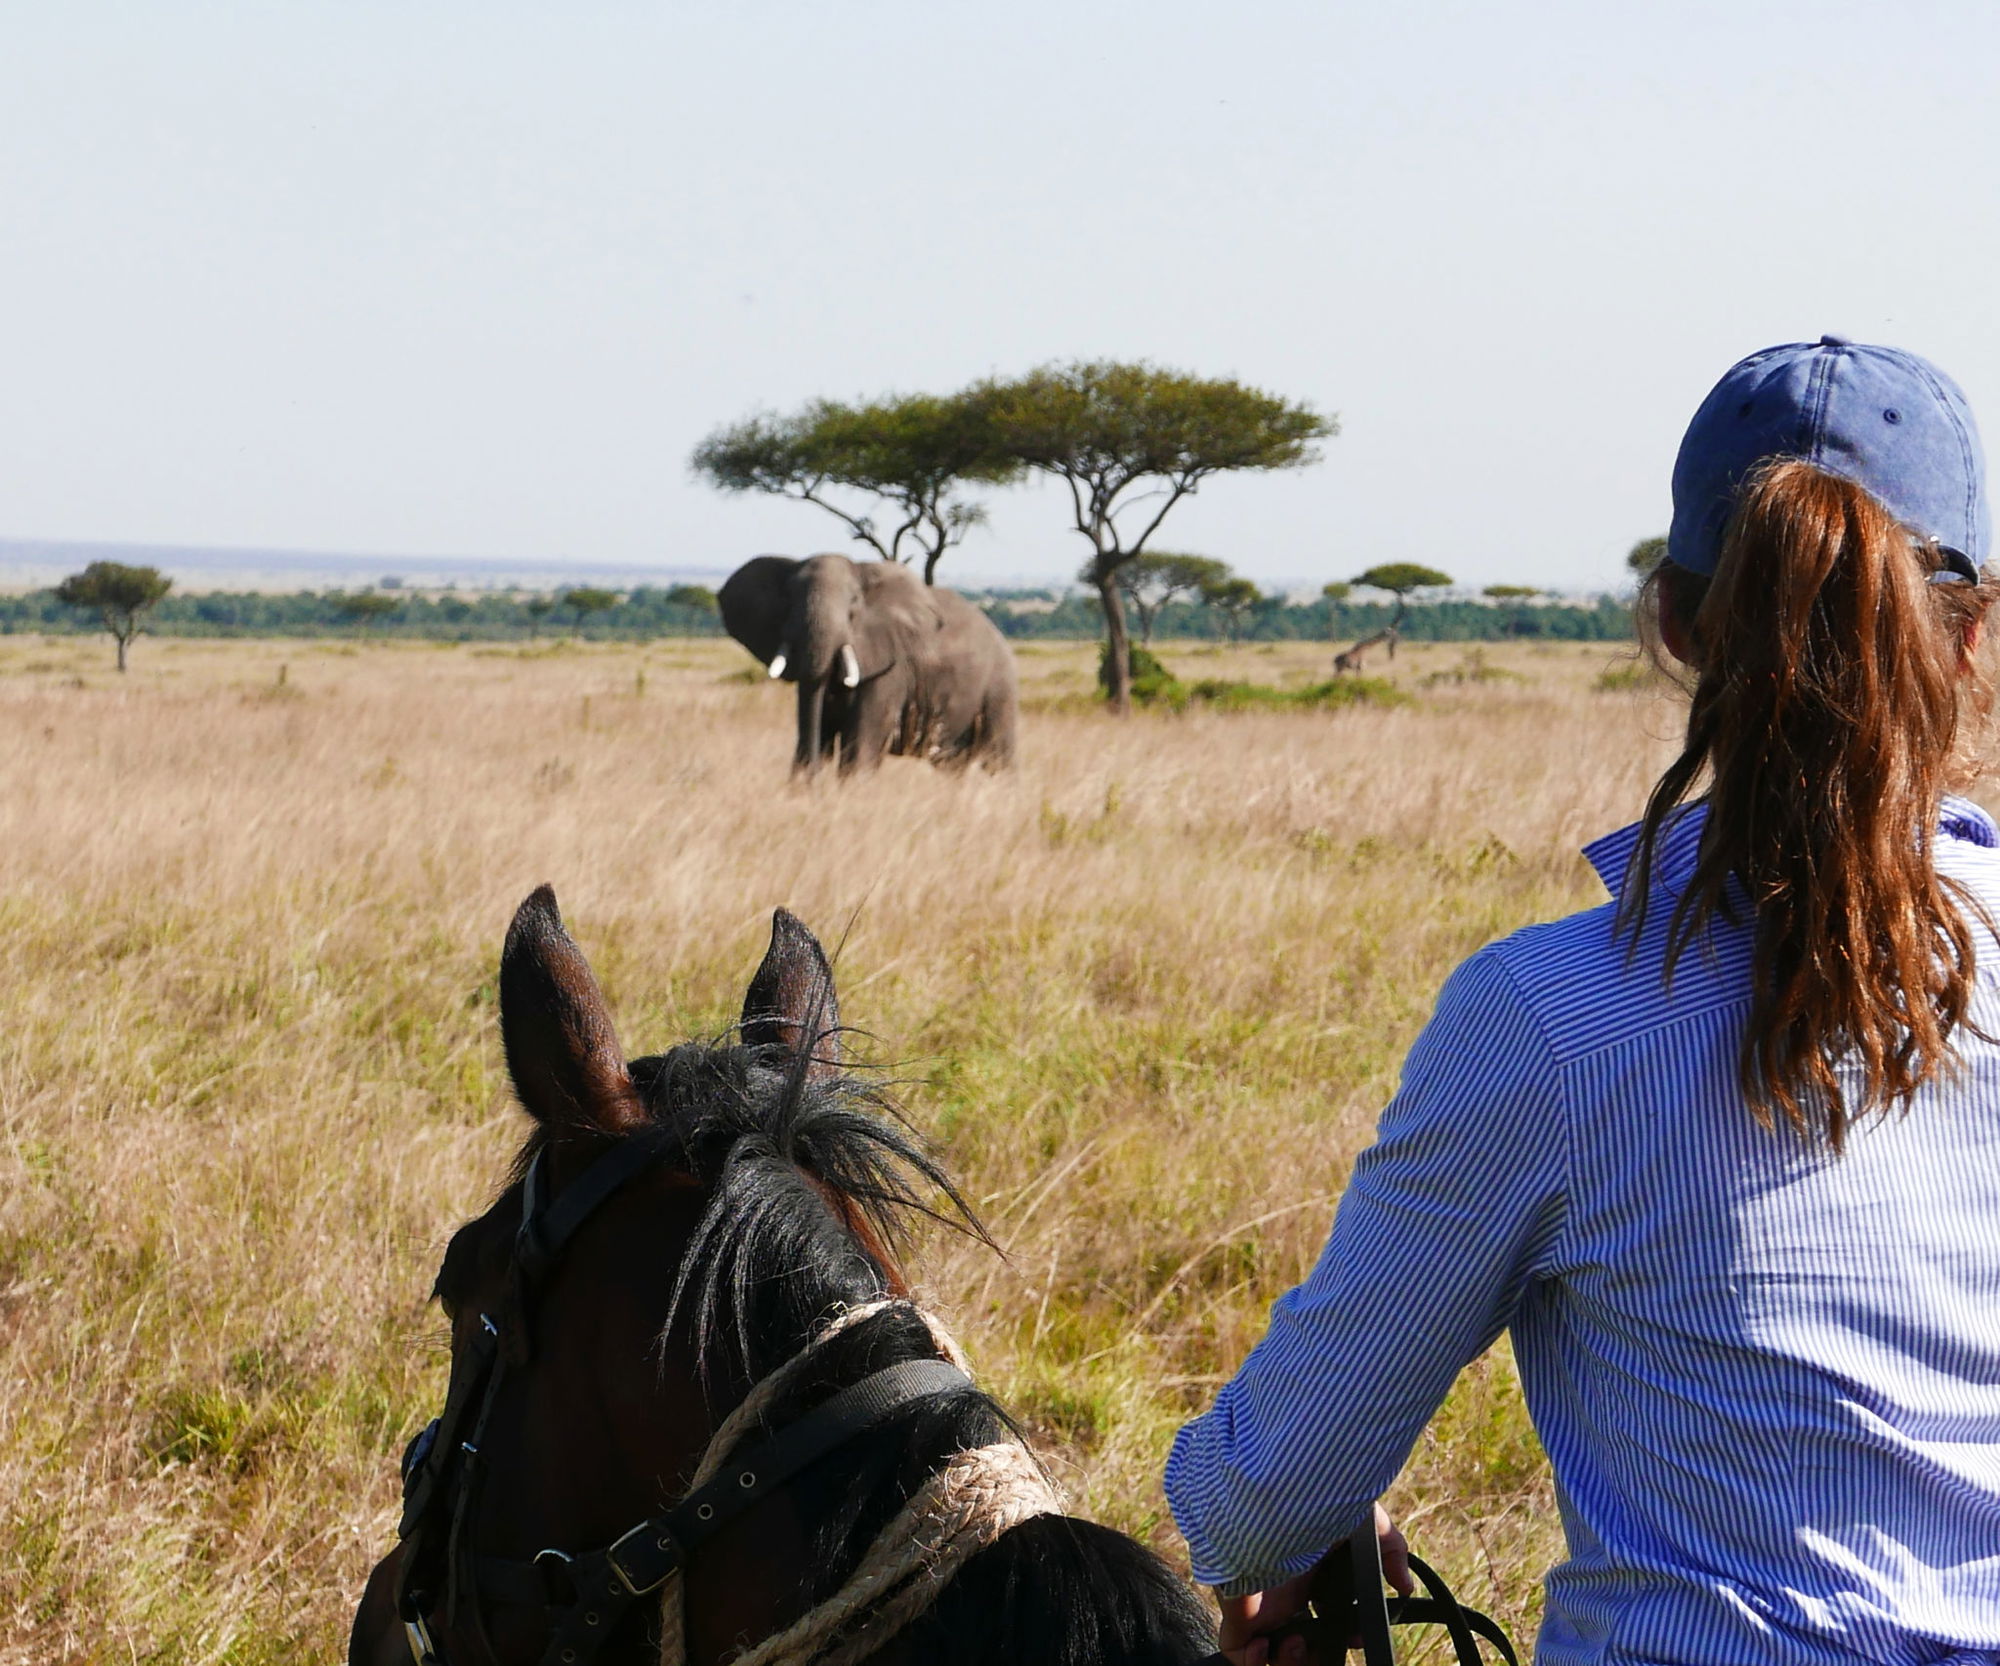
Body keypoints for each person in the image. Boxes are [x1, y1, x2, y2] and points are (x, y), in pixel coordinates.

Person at [1165, 336, 2000, 1666]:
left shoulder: (1550, 1014)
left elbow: (1256, 1507)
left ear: (1671, 623)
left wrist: (1300, 1516)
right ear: (1968, 630)